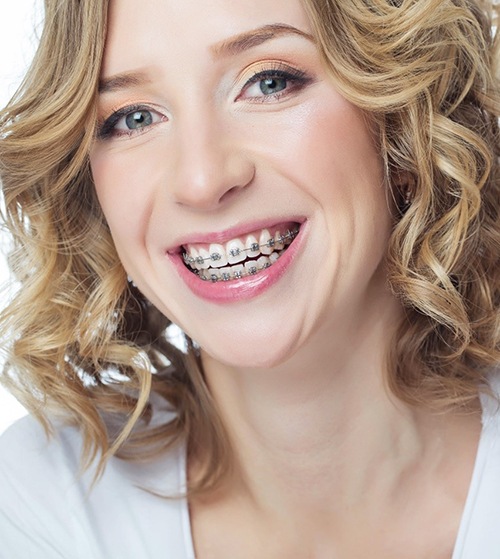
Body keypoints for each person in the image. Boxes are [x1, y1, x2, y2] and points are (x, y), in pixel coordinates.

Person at [0, 0, 499, 557]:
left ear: (405, 118)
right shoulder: (43, 505)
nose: (202, 178)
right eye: (134, 117)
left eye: (268, 82)